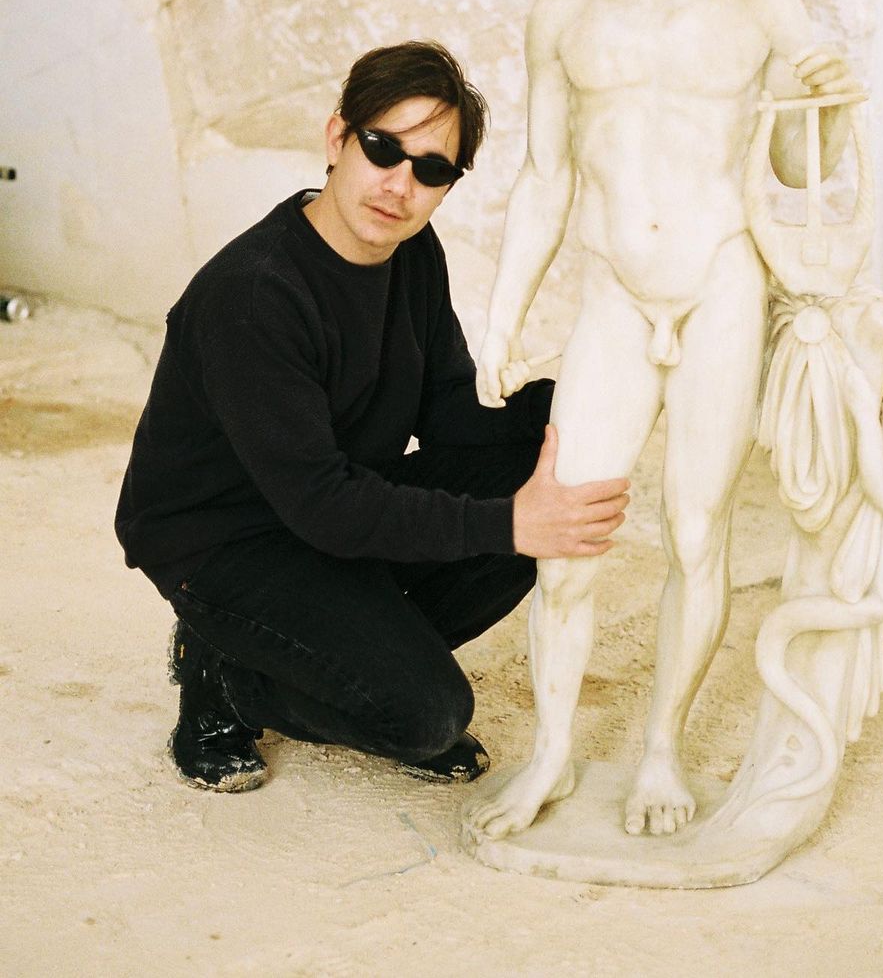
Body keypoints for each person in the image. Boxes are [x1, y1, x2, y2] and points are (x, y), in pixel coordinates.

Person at [464, 0, 864, 842]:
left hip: (721, 282)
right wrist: (501, 322)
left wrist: (828, 102)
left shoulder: (761, 14)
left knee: (695, 531)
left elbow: (797, 167)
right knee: (569, 539)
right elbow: (546, 177)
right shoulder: (567, 15)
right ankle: (552, 754)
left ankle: (660, 752)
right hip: (613, 292)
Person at [116, 40, 630, 793]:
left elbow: (450, 412)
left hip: (332, 508)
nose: (400, 185)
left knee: (548, 473)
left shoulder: (411, 254)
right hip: (224, 542)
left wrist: (588, 396)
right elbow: (323, 504)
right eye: (384, 149)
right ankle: (225, 673)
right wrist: (508, 525)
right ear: (338, 139)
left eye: (431, 170)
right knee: (426, 714)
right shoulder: (255, 296)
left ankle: (347, 649)